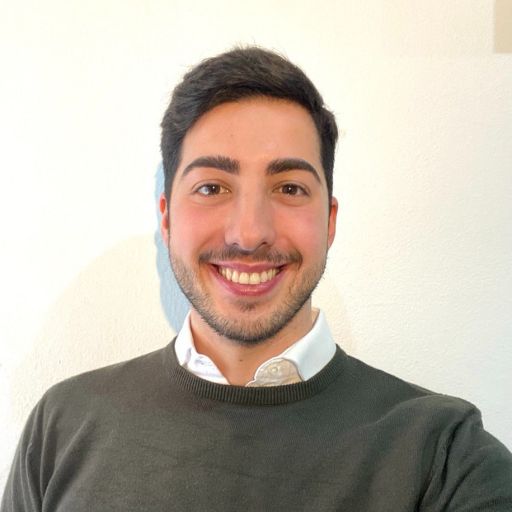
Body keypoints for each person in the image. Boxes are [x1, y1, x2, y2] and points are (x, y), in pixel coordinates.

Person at [2, 47, 511, 511]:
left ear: (329, 221)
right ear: (167, 218)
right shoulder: (63, 427)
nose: (249, 234)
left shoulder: (445, 455)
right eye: (211, 188)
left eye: (289, 188)